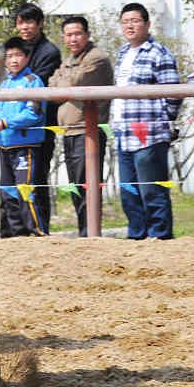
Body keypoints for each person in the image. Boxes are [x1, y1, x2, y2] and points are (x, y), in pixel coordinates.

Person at [112, 3, 181, 240]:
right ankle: (137, 237)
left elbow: (173, 92)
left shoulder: (159, 53)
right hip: (124, 134)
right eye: (125, 21)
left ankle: (160, 237)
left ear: (147, 24)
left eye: (135, 20)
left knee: (152, 190)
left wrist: (163, 122)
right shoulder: (122, 53)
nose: (129, 25)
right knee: (129, 192)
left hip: (149, 135)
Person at [48, 16, 114, 236]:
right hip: (70, 131)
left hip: (88, 133)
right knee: (77, 185)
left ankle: (90, 233)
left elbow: (70, 84)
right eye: (68, 35)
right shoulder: (71, 59)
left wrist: (64, 79)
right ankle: (84, 231)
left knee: (87, 185)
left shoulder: (97, 58)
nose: (73, 38)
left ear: (87, 34)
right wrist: (64, 80)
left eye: (77, 34)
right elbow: (53, 87)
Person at [0, 37, 47, 238]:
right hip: (5, 145)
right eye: (10, 56)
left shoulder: (33, 82)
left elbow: (34, 113)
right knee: (8, 192)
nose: (14, 60)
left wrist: (5, 123)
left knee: (25, 190)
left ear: (27, 57)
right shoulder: (2, 83)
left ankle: (37, 232)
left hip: (25, 145)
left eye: (18, 55)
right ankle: (17, 235)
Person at [14, 2, 61, 233]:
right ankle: (17, 230)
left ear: (40, 24)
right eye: (21, 22)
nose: (25, 27)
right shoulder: (16, 51)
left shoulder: (49, 52)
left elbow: (32, 83)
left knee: (37, 179)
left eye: (30, 22)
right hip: (14, 129)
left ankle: (41, 230)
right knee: (14, 183)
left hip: (40, 127)